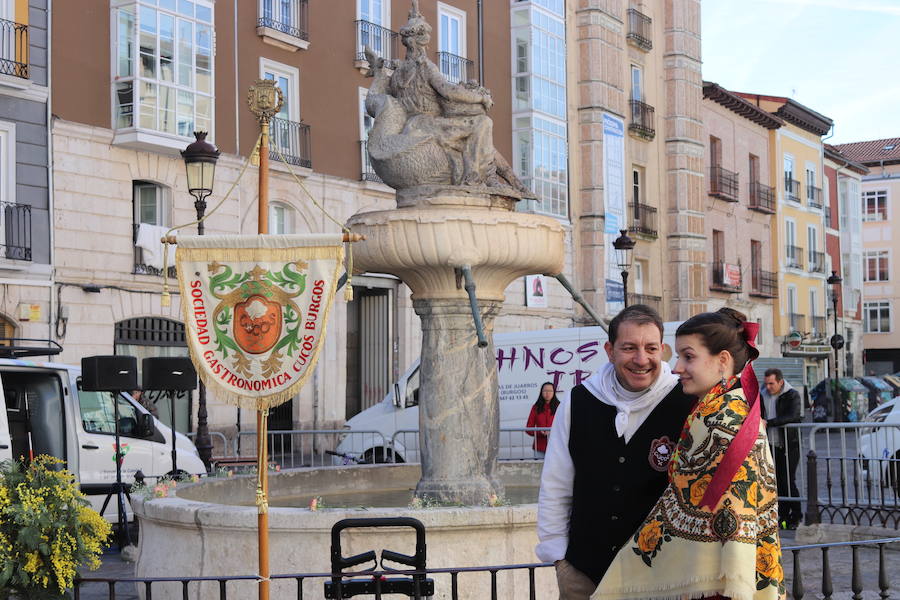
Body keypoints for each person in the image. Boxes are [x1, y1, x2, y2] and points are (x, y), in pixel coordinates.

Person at [591, 308, 785, 600]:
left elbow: (724, 519)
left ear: (722, 361)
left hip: (717, 583)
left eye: (688, 356)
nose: (677, 366)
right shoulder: (717, 410)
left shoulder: (724, 421)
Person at [536, 305, 696, 600]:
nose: (641, 359)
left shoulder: (686, 402)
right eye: (629, 348)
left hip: (661, 573)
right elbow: (556, 482)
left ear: (662, 349)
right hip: (584, 572)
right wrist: (559, 558)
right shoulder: (578, 401)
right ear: (610, 351)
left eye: (650, 348)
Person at [762, 368, 803, 529]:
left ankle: (796, 515)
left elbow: (793, 415)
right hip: (770, 444)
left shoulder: (792, 394)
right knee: (776, 482)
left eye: (772, 383)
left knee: (788, 481)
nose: (769, 387)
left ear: (780, 381)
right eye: (766, 384)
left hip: (788, 444)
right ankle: (783, 516)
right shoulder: (763, 394)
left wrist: (769, 422)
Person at [526, 382, 559, 458]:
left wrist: (552, 432)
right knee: (539, 469)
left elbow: (564, 426)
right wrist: (540, 432)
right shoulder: (536, 407)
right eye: (545, 391)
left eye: (550, 391)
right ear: (541, 392)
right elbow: (528, 428)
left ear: (554, 392)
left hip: (556, 447)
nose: (547, 393)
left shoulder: (559, 407)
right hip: (539, 447)